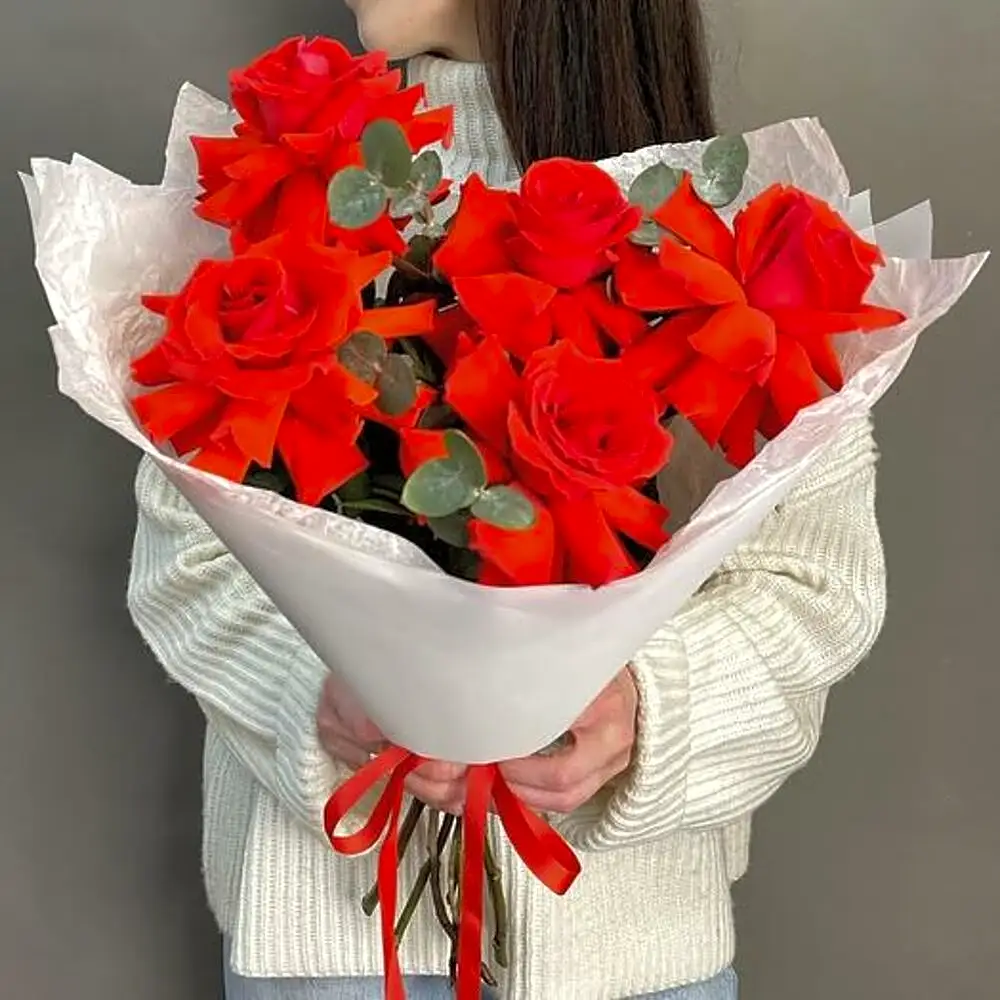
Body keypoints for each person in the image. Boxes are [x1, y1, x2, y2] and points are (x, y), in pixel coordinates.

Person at [126, 2, 887, 998]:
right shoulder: (266, 199)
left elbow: (814, 586)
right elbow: (184, 555)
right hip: (324, 953)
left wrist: (644, 712)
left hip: (635, 959)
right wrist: (317, 690)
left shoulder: (738, 232)